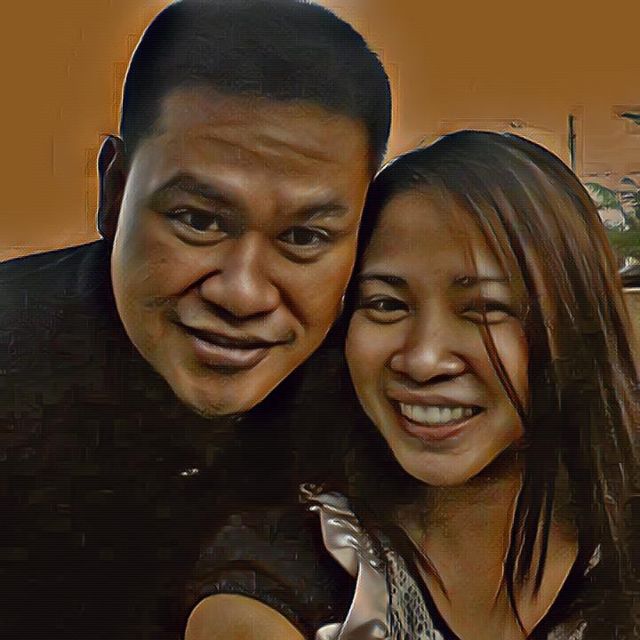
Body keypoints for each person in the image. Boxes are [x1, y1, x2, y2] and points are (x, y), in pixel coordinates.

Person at [0, 1, 390, 637]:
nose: (243, 294)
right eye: (199, 220)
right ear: (114, 192)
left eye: (304, 236)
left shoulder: (390, 395)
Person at [186, 131, 640, 639]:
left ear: (577, 326)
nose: (423, 360)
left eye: (484, 308)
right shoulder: (274, 589)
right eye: (386, 304)